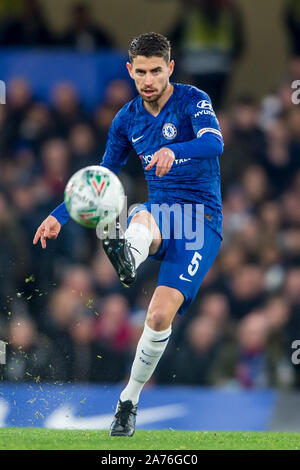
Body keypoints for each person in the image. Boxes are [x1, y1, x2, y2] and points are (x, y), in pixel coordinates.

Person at [33, 32, 223, 437]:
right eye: (142, 72)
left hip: (200, 221)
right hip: (160, 213)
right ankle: (128, 256)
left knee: (157, 316)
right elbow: (104, 176)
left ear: (170, 68)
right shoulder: (126, 119)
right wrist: (58, 215)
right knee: (142, 215)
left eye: (157, 70)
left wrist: (178, 150)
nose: (150, 79)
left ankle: (128, 401)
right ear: (130, 71)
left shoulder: (193, 99)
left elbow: (214, 141)